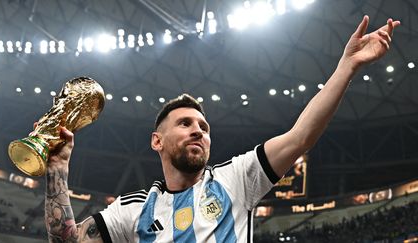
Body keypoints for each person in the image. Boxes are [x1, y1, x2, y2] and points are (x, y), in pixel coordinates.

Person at [44, 16, 400, 242]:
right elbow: (66, 242)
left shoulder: (236, 179)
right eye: (184, 124)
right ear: (157, 141)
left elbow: (301, 136)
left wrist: (347, 67)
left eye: (203, 126)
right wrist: (57, 172)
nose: (198, 131)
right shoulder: (131, 210)